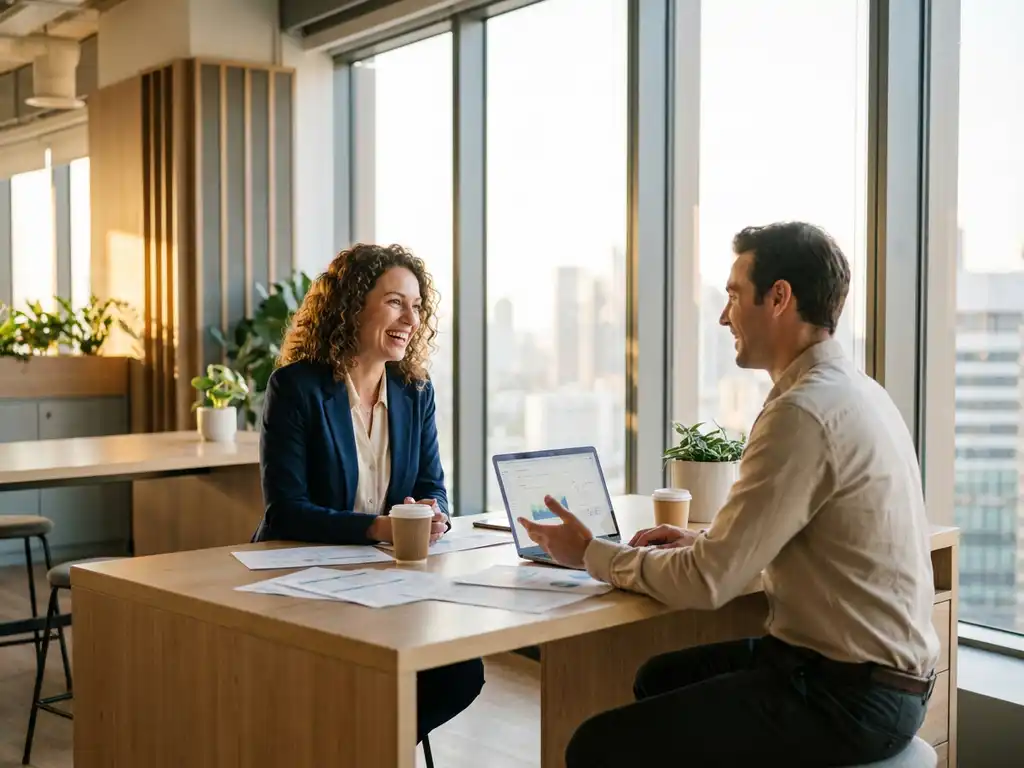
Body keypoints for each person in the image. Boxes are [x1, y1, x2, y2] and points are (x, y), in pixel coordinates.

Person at [519, 222, 940, 767]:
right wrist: (710, 542)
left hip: (848, 698)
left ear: (780, 297)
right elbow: (807, 543)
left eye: (734, 296)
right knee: (658, 677)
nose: (724, 316)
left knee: (596, 746)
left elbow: (710, 582)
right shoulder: (858, 391)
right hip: (875, 679)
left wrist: (590, 554)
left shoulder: (801, 412)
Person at [254, 243, 484, 745]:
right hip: (301, 578)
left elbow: (432, 486)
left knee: (460, 671)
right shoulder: (297, 387)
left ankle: (369, 746)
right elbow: (286, 511)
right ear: (354, 304)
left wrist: (432, 512)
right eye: (396, 302)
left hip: (382, 580)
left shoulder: (414, 390)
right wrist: (377, 528)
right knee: (338, 678)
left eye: (417, 306)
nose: (411, 318)